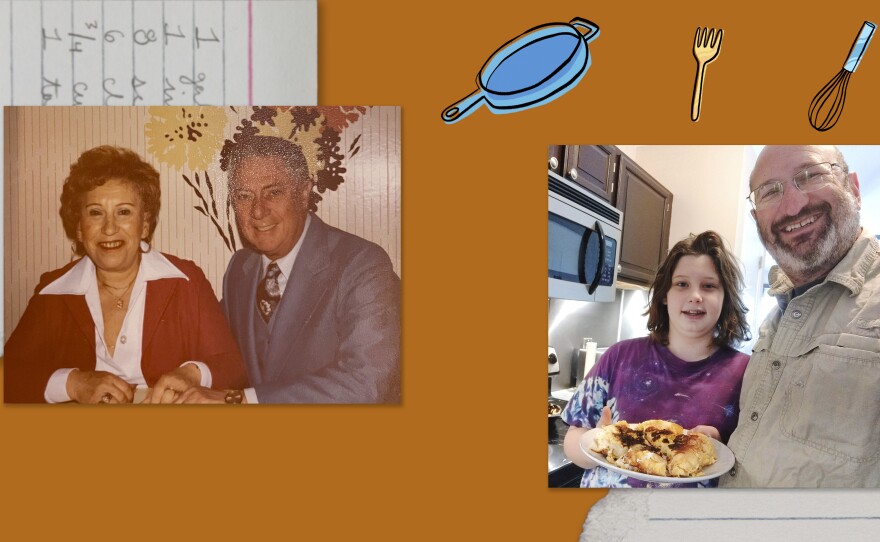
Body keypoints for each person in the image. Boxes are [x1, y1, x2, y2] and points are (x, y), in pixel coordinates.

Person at [3, 146, 248, 404]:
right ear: (79, 228)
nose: (109, 228)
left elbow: (233, 366)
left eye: (124, 212)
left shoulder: (186, 281)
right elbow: (10, 375)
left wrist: (193, 374)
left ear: (144, 224)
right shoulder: (52, 291)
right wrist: (73, 383)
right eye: (96, 213)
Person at [176, 135, 400, 404]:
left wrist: (242, 400)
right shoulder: (240, 269)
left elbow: (368, 383)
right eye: (244, 196)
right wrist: (193, 372)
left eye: (273, 193)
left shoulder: (363, 265)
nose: (258, 211)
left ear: (304, 193)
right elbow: (221, 351)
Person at [721, 145, 880, 487]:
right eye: (769, 191)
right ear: (755, 218)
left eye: (810, 175)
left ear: (853, 187)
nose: (792, 205)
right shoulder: (776, 316)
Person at [562, 231, 750, 487]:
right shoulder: (620, 356)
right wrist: (600, 443)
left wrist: (715, 445)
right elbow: (574, 439)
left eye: (709, 286)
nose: (695, 295)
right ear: (664, 294)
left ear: (725, 296)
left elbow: (754, 463)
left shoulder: (747, 373)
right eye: (682, 284)